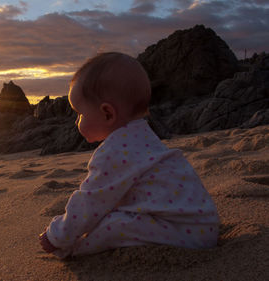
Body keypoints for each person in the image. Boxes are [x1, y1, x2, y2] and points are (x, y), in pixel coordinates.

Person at [39, 52, 219, 258]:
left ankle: (74, 249)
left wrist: (57, 235)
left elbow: (90, 202)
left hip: (182, 232)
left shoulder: (114, 151)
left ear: (107, 113)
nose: (76, 121)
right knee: (117, 216)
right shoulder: (143, 137)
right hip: (203, 224)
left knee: (115, 224)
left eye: (79, 114)